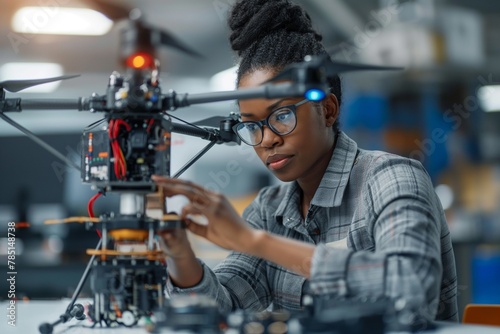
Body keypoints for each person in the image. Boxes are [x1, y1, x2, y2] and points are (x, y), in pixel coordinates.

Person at [152, 0, 458, 323]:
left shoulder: (392, 179)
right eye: (252, 126)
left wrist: (257, 243)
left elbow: (413, 290)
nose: (267, 139)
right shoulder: (269, 212)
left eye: (281, 115)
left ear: (327, 110)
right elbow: (223, 310)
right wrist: (178, 252)